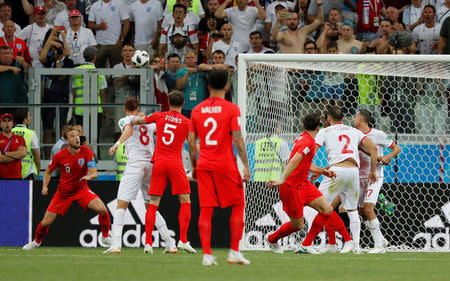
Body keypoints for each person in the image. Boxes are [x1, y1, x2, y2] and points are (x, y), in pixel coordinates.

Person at [188, 70, 251, 266]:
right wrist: (246, 166)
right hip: (225, 163)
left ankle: (207, 255)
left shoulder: (197, 110)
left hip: (205, 163)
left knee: (206, 209)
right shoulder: (232, 109)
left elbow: (191, 143)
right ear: (226, 86)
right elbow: (238, 138)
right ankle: (234, 252)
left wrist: (194, 167)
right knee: (238, 204)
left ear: (207, 87)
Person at [23, 126, 112, 250]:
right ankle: (36, 242)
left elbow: (94, 172)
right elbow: (48, 172)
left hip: (82, 190)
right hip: (63, 193)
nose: (76, 138)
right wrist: (44, 186)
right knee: (45, 223)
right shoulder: (60, 156)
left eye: (77, 135)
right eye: (72, 136)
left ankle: (105, 236)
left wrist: (89, 176)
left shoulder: (86, 151)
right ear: (67, 141)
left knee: (102, 209)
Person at [104, 97, 174, 254]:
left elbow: (128, 130)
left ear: (124, 109)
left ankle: (116, 244)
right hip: (151, 165)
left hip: (136, 164)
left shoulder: (125, 120)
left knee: (121, 205)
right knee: (151, 207)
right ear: (138, 108)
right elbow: (163, 130)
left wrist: (116, 144)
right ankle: (170, 242)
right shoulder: (148, 121)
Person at [305, 106, 378, 254]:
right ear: (343, 118)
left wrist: (315, 168)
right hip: (353, 172)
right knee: (352, 210)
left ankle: (309, 242)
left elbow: (313, 149)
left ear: (329, 119)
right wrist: (372, 171)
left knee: (319, 205)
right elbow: (373, 148)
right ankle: (355, 246)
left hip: (335, 172)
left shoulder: (325, 131)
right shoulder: (354, 131)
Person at [132, 90, 196, 254]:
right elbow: (192, 146)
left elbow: (138, 121)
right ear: (183, 104)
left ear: (168, 103)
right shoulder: (187, 123)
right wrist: (195, 166)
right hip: (175, 163)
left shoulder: (158, 115)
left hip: (159, 162)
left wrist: (131, 118)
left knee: (153, 203)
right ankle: (182, 240)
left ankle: (147, 243)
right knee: (185, 200)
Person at [266, 114, 337, 255]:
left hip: (304, 184)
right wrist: (282, 179)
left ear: (303, 126)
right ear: (318, 128)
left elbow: (305, 163)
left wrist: (323, 171)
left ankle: (306, 244)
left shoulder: (302, 138)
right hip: (292, 187)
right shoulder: (308, 142)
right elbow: (295, 160)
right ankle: (272, 239)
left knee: (327, 209)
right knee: (298, 225)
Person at [353, 109, 401, 253]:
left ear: (361, 119)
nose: (353, 119)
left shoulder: (378, 134)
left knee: (368, 208)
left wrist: (388, 157)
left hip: (375, 176)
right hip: (359, 177)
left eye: (355, 116)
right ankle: (382, 240)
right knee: (361, 211)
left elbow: (397, 148)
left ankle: (379, 246)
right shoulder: (354, 134)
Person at [88, 0, 130, 68]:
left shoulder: (120, 4)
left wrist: (121, 39)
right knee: (97, 72)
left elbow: (127, 23)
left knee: (117, 71)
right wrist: (99, 26)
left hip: (115, 44)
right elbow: (90, 24)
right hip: (99, 44)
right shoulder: (95, 5)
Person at [73, 47, 107, 125]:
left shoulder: (75, 71)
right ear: (95, 57)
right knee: (95, 136)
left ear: (84, 57)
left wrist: (73, 108)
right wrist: (104, 109)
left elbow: (73, 92)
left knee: (81, 136)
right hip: (96, 109)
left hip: (80, 110)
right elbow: (102, 93)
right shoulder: (99, 73)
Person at [175, 50, 207, 118]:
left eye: (192, 57)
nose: (190, 60)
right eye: (187, 58)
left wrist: (199, 68)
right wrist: (187, 73)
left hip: (201, 107)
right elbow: (179, 86)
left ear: (196, 59)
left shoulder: (203, 70)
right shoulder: (180, 71)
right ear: (185, 60)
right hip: (185, 107)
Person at [11, 108, 41, 180]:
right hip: (28, 172)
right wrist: (38, 171)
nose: (30, 118)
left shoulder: (10, 132)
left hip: (12, 170)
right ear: (25, 119)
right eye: (29, 116)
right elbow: (36, 156)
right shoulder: (31, 133)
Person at [0, 113, 26, 179]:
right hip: (2, 178)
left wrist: (4, 153)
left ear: (12, 124)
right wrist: (17, 156)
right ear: (0, 124)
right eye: (4, 121)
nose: (7, 123)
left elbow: (23, 153)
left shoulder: (20, 138)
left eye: (9, 121)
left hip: (17, 177)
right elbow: (1, 159)